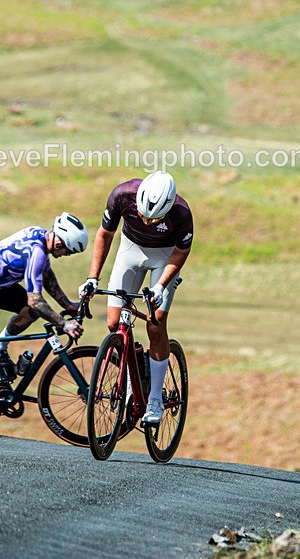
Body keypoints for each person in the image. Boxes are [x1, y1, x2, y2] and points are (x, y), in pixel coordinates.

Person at [0, 212, 88, 433]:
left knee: (29, 313)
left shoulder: (41, 239)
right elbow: (35, 300)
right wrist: (64, 324)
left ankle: (1, 347)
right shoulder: (36, 251)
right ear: (59, 241)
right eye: (68, 250)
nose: (67, 255)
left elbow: (47, 277)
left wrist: (67, 305)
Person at [80, 171, 193, 425]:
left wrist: (162, 286)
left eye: (154, 219)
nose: (146, 220)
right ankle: (136, 371)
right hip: (131, 249)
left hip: (164, 257)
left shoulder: (182, 213)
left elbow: (180, 252)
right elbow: (104, 235)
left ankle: (154, 398)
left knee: (156, 323)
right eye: (142, 215)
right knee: (113, 323)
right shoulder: (122, 195)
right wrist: (92, 278)